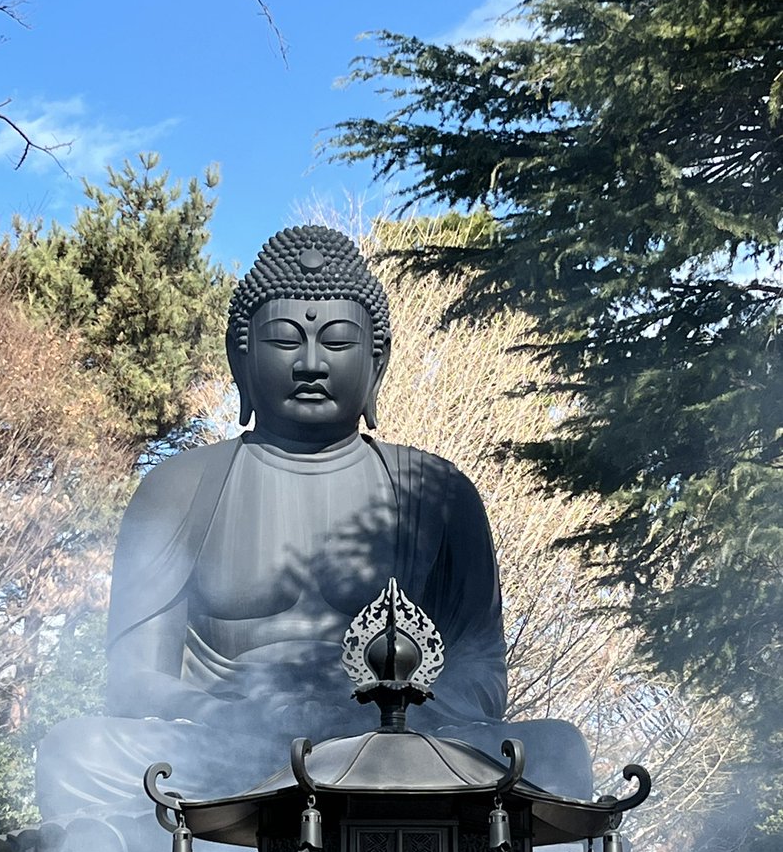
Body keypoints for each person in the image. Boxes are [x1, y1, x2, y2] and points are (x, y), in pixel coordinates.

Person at [37, 225, 522, 817]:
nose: (312, 363)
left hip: (397, 752)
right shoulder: (179, 488)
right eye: (285, 340)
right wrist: (233, 714)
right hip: (221, 749)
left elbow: (481, 672)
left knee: (552, 752)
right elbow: (132, 680)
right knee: (75, 755)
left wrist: (381, 712)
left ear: (377, 361)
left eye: (338, 341)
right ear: (241, 357)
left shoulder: (438, 492)